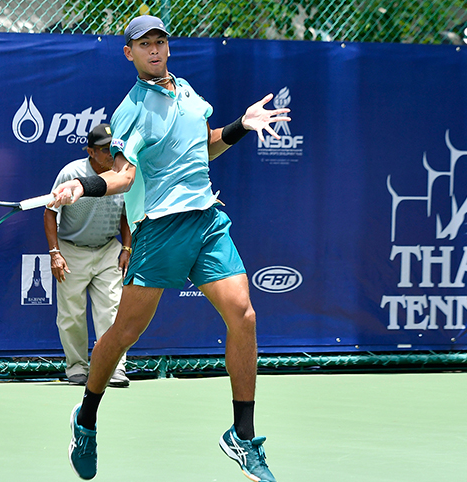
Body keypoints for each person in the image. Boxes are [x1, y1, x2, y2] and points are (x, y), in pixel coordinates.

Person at [49, 15, 290, 482]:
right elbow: (123, 175)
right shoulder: (131, 110)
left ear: (168, 48)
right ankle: (87, 418)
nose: (154, 50)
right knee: (124, 335)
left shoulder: (188, 94)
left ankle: (243, 436)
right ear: (129, 54)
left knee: (243, 315)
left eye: (160, 42)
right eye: (144, 45)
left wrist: (240, 124)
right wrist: (85, 186)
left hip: (206, 220)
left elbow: (204, 146)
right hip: (159, 229)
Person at [44, 123, 132, 388]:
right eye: (104, 150)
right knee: (71, 315)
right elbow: (50, 212)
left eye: (113, 149)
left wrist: (126, 248)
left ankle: (115, 368)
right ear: (91, 152)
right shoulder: (71, 173)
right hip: (71, 250)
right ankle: (77, 368)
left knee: (113, 312)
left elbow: (127, 216)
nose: (110, 154)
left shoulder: (122, 174)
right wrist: (55, 253)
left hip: (108, 250)